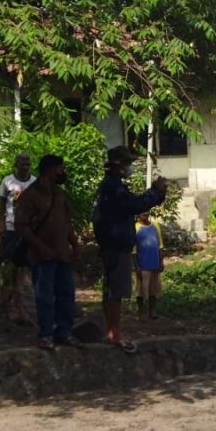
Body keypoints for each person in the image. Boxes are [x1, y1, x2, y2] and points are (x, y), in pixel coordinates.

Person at [93, 146, 168, 354]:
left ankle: (112, 330)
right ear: (118, 166)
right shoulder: (113, 188)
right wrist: (156, 192)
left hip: (112, 244)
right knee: (115, 290)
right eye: (128, 163)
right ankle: (114, 332)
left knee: (111, 290)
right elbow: (134, 204)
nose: (130, 167)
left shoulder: (110, 186)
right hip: (116, 245)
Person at [16, 154, 83, 351]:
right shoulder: (30, 195)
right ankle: (45, 334)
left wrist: (75, 245)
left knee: (66, 295)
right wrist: (41, 248)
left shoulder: (59, 194)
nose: (62, 173)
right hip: (42, 257)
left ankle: (64, 332)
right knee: (44, 297)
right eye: (59, 169)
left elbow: (66, 223)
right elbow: (22, 227)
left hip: (62, 255)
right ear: (49, 170)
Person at [0, 153, 35, 326]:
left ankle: (22, 309)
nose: (25, 166)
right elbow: (2, 203)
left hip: (29, 230)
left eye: (27, 163)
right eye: (22, 163)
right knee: (8, 268)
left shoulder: (35, 182)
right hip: (11, 229)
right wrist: (1, 224)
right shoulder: (7, 181)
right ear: (15, 164)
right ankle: (5, 305)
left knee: (25, 269)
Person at [135, 212, 164, 320]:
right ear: (138, 214)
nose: (146, 214)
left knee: (153, 289)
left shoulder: (155, 225)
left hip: (154, 263)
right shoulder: (135, 228)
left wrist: (161, 262)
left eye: (147, 211)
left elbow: (160, 245)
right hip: (142, 264)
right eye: (143, 212)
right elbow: (133, 250)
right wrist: (136, 266)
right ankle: (140, 312)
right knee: (140, 290)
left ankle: (152, 311)